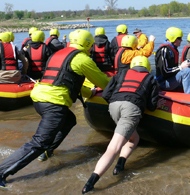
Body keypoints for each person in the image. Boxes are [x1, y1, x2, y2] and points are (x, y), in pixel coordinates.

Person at [0, 29, 110, 190]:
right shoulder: (82, 59)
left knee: (69, 121)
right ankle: (2, 172)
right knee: (39, 142)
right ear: (88, 44)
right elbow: (104, 82)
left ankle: (47, 152)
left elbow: (70, 82)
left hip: (38, 97)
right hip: (53, 103)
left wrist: (89, 92)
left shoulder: (59, 54)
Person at [82, 56, 159, 194]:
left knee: (134, 138)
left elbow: (106, 94)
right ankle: (89, 184)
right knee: (113, 148)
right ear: (147, 68)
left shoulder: (121, 73)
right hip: (131, 109)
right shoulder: (151, 79)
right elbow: (152, 107)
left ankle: (120, 165)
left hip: (113, 106)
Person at [155, 27, 190, 94]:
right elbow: (165, 71)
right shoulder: (164, 50)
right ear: (173, 38)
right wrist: (181, 67)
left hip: (171, 78)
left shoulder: (174, 49)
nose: (181, 40)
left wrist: (182, 66)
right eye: (179, 38)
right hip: (163, 82)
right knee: (186, 71)